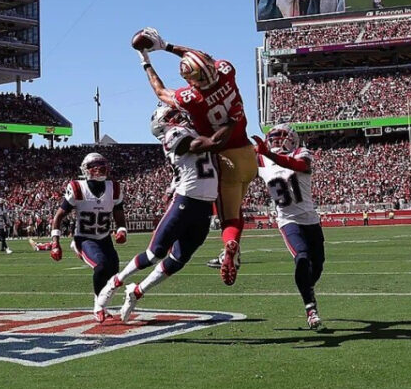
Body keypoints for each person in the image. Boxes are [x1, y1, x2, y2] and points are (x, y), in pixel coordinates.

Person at [135, 27, 257, 286]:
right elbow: (200, 55)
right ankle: (232, 249)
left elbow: (160, 92)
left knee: (229, 218)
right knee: (236, 211)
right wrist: (167, 46)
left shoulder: (191, 98)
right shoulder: (226, 70)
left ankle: (230, 248)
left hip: (227, 159)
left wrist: (146, 60)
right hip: (249, 153)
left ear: (192, 79)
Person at [99, 104, 228, 323]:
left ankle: (137, 292)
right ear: (164, 123)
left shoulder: (190, 130)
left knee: (178, 260)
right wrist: (233, 120)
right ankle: (115, 282)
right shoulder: (173, 135)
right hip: (186, 200)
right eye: (171, 115)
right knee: (154, 253)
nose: (178, 116)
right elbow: (212, 142)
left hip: (205, 205)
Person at [253, 124, 325, 329]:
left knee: (317, 266)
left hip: (310, 220)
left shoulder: (302, 153)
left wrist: (268, 154)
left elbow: (299, 166)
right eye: (273, 137)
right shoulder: (261, 159)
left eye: (280, 137)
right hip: (287, 220)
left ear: (292, 139)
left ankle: (307, 290)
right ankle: (310, 308)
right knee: (301, 258)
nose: (277, 141)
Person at [48, 152, 128, 323]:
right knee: (101, 266)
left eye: (101, 164)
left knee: (114, 273)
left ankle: (102, 304)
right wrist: (55, 243)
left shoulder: (113, 187)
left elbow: (119, 214)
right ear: (86, 169)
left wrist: (122, 230)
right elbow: (59, 216)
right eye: (94, 165)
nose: (99, 168)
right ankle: (98, 306)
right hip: (84, 238)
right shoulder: (77, 187)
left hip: (104, 238)